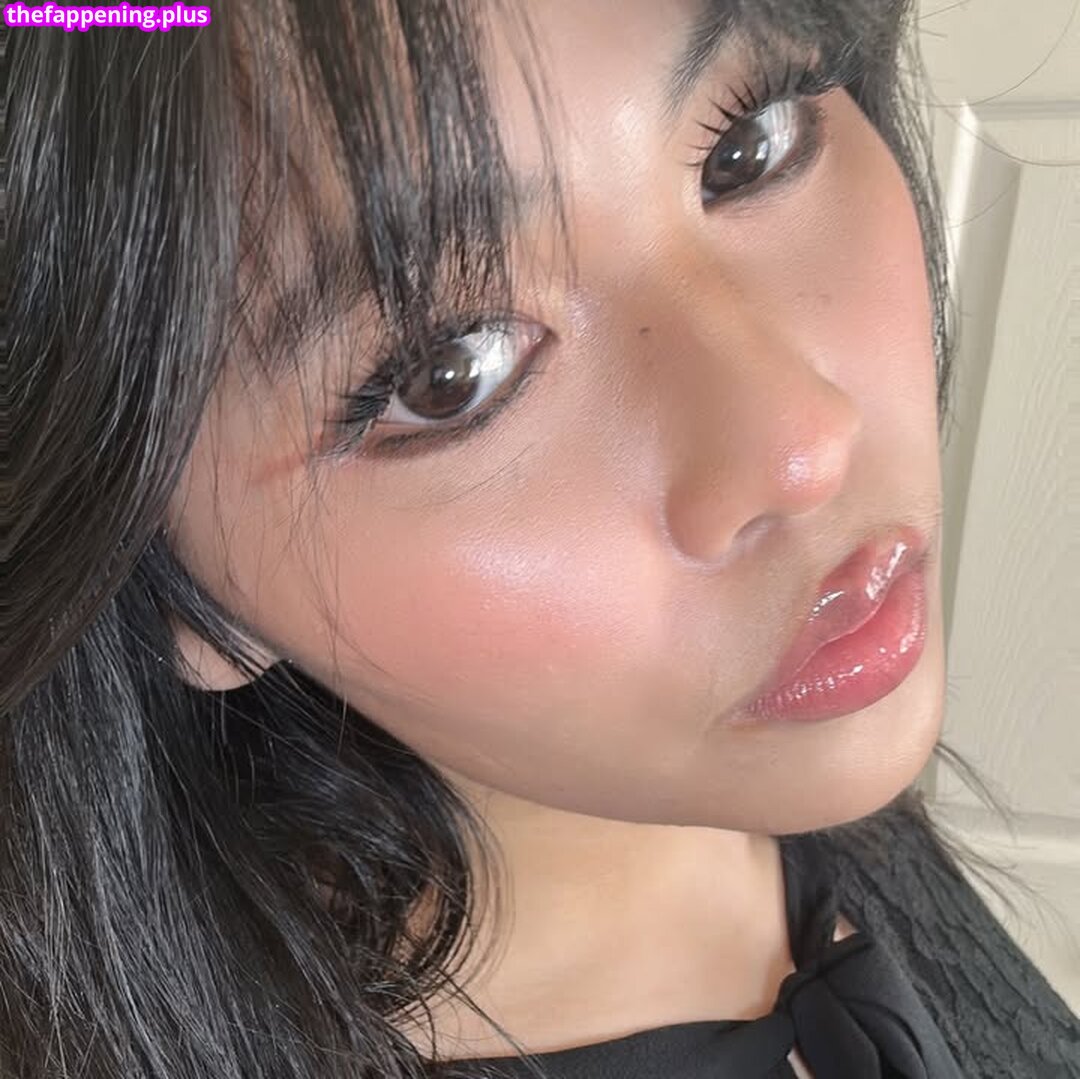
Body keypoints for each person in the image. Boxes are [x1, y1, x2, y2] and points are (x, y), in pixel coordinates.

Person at [6, 1, 1079, 1077]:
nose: (805, 444)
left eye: (750, 144)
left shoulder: (745, 776)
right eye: (452, 371)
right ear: (162, 574)